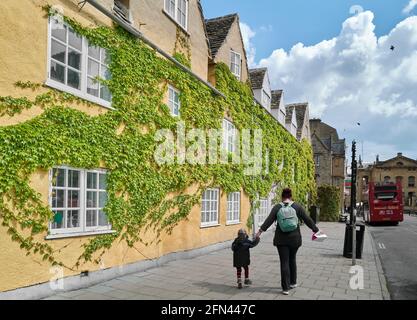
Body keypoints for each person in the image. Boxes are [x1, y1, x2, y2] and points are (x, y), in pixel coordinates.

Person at [255, 188, 321, 295]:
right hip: (295, 239)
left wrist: (260, 232)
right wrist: (316, 230)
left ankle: (285, 288)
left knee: (284, 262)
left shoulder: (277, 207)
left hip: (281, 240)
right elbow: (307, 219)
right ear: (291, 196)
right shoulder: (297, 206)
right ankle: (293, 282)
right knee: (292, 259)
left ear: (282, 197)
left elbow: (269, 220)